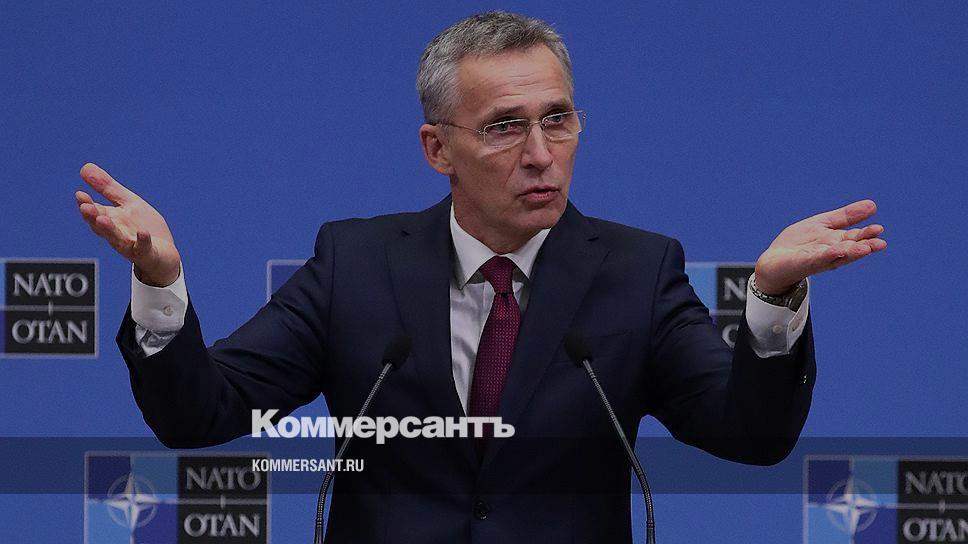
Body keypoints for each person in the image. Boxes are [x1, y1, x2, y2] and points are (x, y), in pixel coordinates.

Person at [74, 11, 886, 542]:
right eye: (504, 127)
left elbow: (751, 435)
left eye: (557, 120)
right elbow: (202, 412)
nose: (540, 154)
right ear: (439, 149)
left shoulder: (638, 273)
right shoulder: (356, 265)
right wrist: (161, 284)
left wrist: (772, 298)